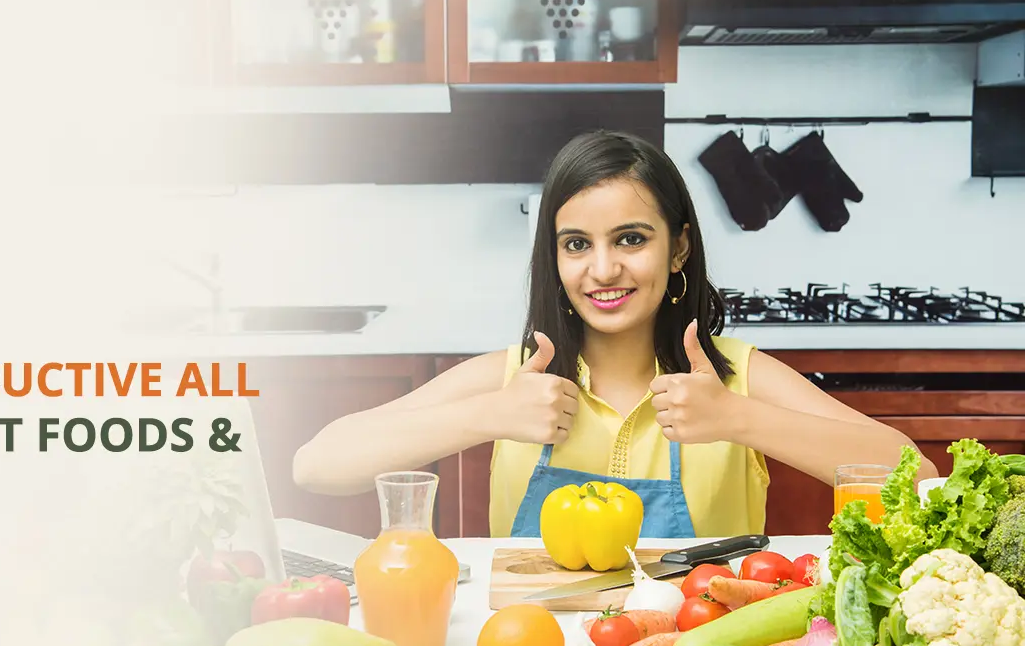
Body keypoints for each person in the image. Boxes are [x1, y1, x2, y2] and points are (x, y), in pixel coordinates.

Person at [291, 129, 938, 539]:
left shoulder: (736, 376)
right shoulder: (509, 379)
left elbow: (917, 476)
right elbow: (317, 465)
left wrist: (737, 420)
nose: (603, 270)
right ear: (554, 256)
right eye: (577, 244)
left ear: (679, 247)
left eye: (631, 238)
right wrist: (489, 413)